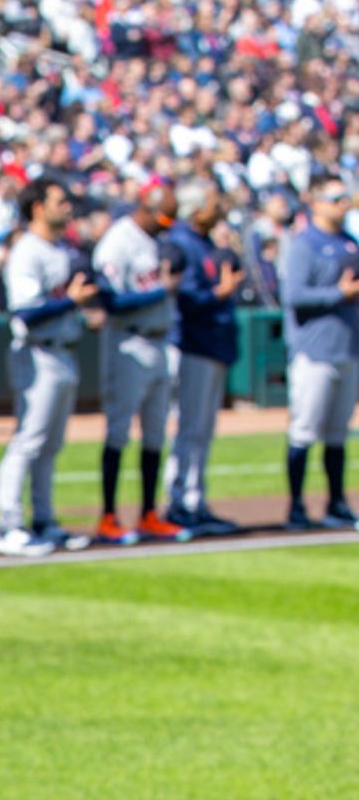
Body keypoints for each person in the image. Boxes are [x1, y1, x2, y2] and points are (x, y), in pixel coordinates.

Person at [0, 178, 99, 557]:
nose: (67, 206)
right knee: (29, 439)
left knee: (51, 445)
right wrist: (71, 302)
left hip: (63, 350)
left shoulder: (59, 249)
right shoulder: (27, 251)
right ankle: (9, 525)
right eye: (59, 200)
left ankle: (44, 520)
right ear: (37, 207)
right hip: (36, 353)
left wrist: (81, 311)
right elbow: (25, 311)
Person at [91, 180, 185, 544]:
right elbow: (110, 301)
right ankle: (109, 515)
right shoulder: (119, 240)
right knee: (118, 430)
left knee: (156, 431)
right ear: (144, 205)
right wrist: (161, 290)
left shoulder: (155, 239)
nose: (166, 225)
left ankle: (149, 512)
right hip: (127, 341)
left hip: (160, 341)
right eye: (161, 217)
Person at [163, 179, 245, 536]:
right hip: (192, 343)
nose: (219, 207)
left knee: (203, 429)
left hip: (211, 343)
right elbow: (187, 297)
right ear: (196, 208)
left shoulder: (204, 242)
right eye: (213, 202)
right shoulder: (182, 242)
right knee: (190, 427)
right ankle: (180, 502)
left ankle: (196, 500)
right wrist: (220, 293)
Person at [280, 178, 359, 530]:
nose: (344, 203)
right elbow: (293, 296)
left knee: (337, 434)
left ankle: (336, 502)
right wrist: (338, 294)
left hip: (348, 348)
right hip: (315, 351)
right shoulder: (305, 244)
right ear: (316, 203)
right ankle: (296, 506)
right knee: (304, 430)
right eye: (336, 198)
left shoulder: (349, 243)